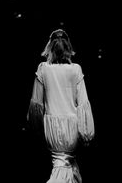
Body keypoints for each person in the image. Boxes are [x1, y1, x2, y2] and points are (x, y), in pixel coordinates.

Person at [27, 29, 95, 183]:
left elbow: (36, 105)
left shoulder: (43, 69)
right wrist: (86, 133)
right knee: (69, 167)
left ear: (50, 47)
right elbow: (83, 104)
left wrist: (36, 130)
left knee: (60, 167)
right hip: (72, 129)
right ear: (68, 47)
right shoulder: (76, 69)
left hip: (52, 131)